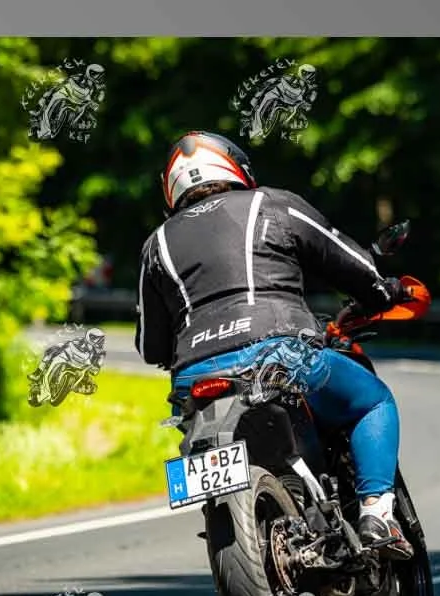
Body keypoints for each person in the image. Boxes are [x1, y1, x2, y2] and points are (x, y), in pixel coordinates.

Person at [135, 130, 417, 558]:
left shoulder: (155, 244)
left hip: (197, 379)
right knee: (373, 401)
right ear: (236, 167)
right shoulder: (272, 204)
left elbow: (151, 346)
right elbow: (351, 262)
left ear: (171, 188)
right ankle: (376, 515)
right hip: (281, 355)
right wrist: (381, 290)